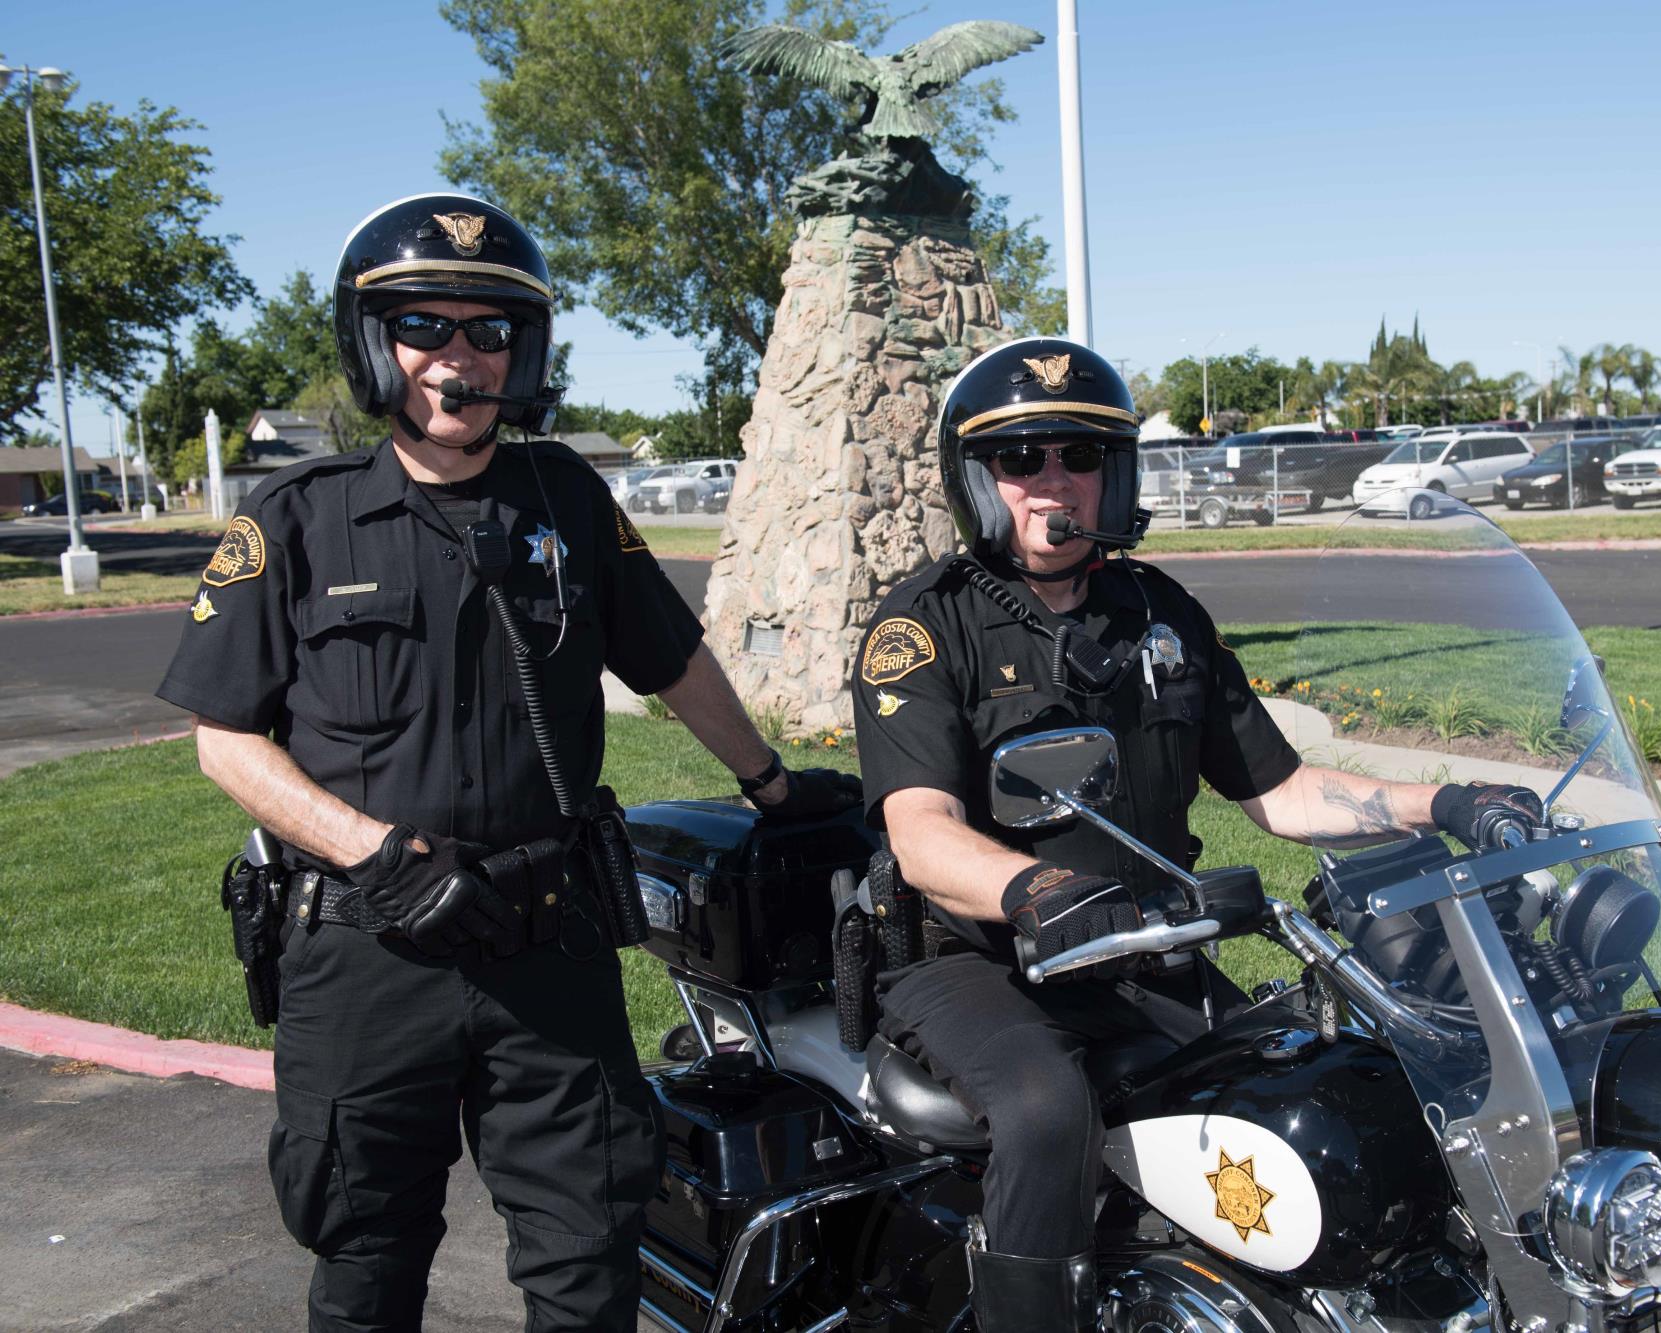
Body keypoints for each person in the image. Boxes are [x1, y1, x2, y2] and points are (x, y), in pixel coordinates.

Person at [157, 193, 857, 1332]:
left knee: (589, 1260)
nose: (457, 357)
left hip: (548, 943)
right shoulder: (296, 518)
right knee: (363, 1259)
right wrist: (374, 851)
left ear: (522, 353)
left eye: (489, 331)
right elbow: (224, 738)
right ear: (373, 345)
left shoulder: (566, 498)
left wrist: (771, 783)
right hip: (369, 947)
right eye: (423, 327)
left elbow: (672, 660)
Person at [849, 337, 1540, 1331]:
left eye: (1077, 457)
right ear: (976, 477)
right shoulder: (924, 627)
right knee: (1048, 1112)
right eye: (1021, 458)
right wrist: (1034, 889)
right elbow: (921, 834)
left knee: (1328, 1078)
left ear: (1112, 473)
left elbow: (1284, 791)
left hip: (1142, 947)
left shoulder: (1157, 616)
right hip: (976, 958)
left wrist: (1447, 803)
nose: (1053, 483)